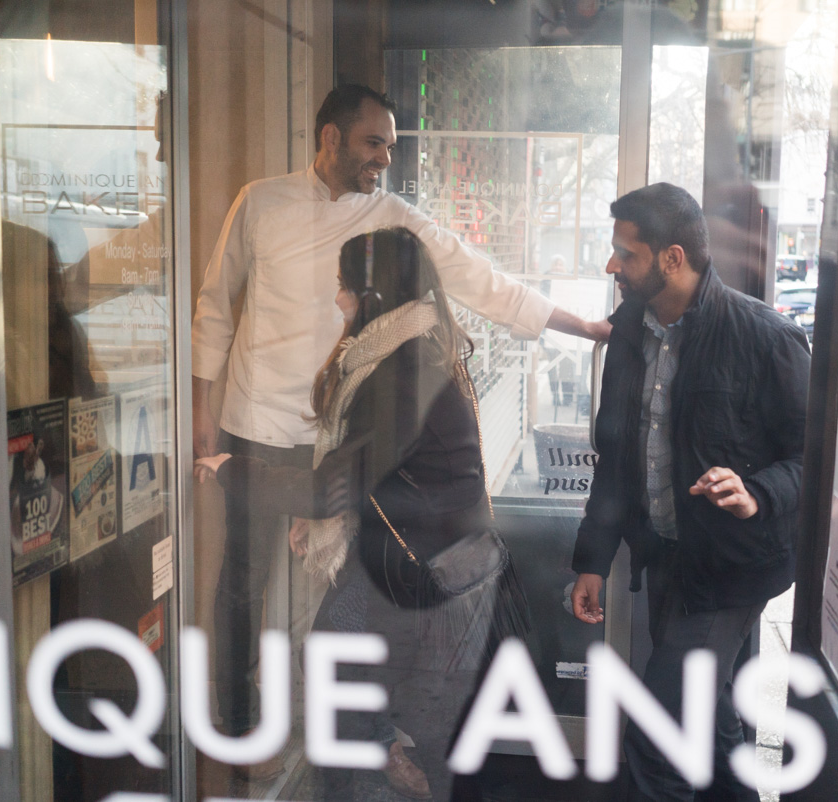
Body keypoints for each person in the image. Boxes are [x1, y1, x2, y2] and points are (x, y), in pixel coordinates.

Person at [191, 83, 605, 774]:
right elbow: (213, 301)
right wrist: (203, 407)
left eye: (389, 144)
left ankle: (332, 727)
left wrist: (583, 326)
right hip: (255, 414)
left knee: (331, 591)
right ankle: (237, 720)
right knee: (243, 578)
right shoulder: (259, 201)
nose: (384, 157)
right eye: (373, 142)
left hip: (335, 430)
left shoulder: (392, 217)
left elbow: (481, 279)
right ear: (330, 138)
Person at [196, 227, 524, 800]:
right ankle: (379, 760)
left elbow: (334, 487)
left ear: (373, 295)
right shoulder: (414, 347)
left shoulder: (400, 371)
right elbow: (367, 470)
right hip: (423, 556)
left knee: (347, 681)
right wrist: (326, 511)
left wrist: (231, 469)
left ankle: (364, 775)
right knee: (340, 666)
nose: (338, 298)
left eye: (345, 287)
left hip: (419, 570)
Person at [568, 183, 811, 801]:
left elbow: (813, 459)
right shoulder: (629, 332)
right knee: (706, 712)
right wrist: (593, 560)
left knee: (659, 729)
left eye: (627, 253)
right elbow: (615, 457)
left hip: (734, 567)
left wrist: (756, 491)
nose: (612, 265)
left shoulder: (765, 337)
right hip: (667, 559)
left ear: (672, 259)